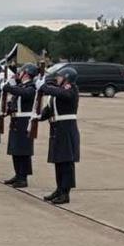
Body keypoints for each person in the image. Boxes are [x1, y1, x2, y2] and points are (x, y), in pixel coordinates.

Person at [39, 66, 81, 204]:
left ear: (67, 78)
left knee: (66, 162)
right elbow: (49, 109)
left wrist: (44, 87)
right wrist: (38, 117)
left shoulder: (71, 89)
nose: (57, 78)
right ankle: (59, 189)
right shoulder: (57, 92)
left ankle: (65, 193)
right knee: (59, 161)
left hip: (66, 129)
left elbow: (63, 94)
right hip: (57, 129)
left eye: (60, 76)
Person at [1, 63, 38, 188]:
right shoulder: (21, 86)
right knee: (15, 150)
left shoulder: (31, 87)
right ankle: (18, 174)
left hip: (24, 122)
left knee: (23, 150)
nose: (19, 74)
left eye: (21, 72)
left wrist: (10, 87)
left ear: (26, 73)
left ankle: (23, 177)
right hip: (16, 120)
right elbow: (14, 100)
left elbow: (25, 94)